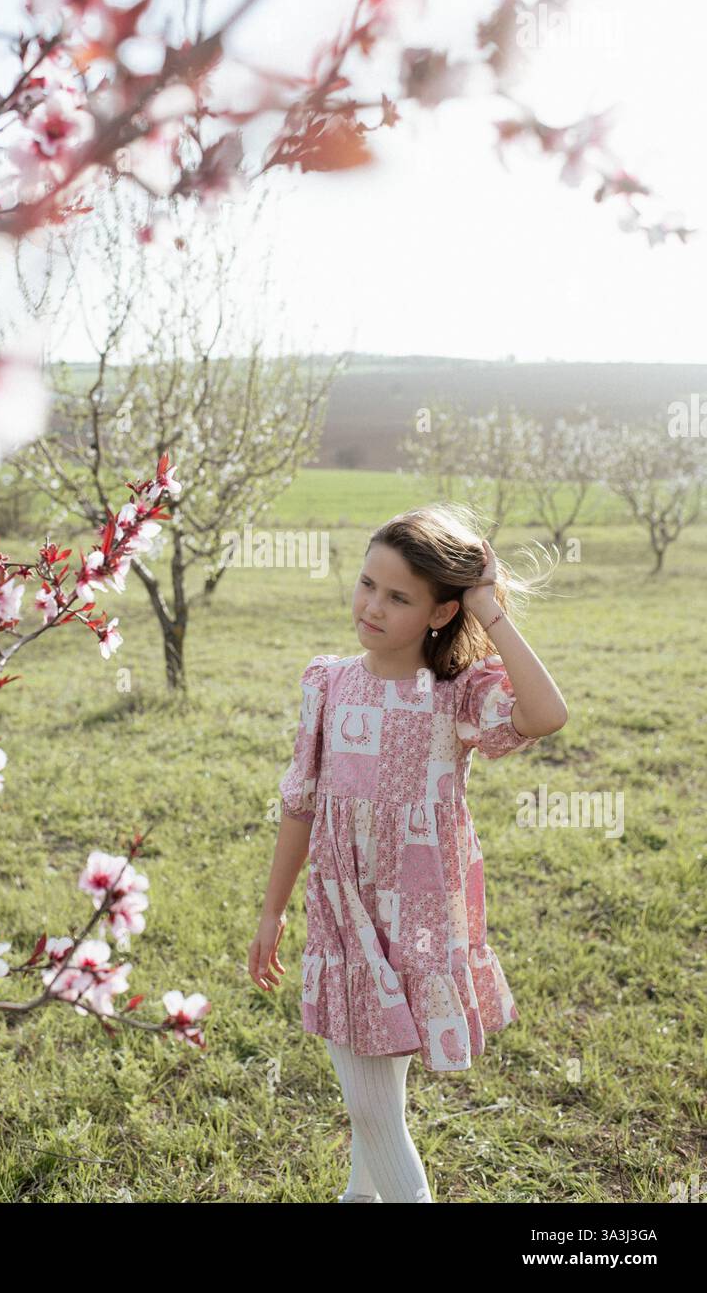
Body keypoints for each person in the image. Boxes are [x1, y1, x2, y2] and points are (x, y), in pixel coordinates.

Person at [248, 503, 569, 1203]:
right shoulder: (326, 682)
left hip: (419, 921)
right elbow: (300, 803)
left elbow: (546, 715)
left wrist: (489, 608)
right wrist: (272, 912)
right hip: (347, 919)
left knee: (374, 1114)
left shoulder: (458, 695)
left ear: (439, 612)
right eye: (367, 583)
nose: (371, 606)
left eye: (398, 597)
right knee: (374, 1109)